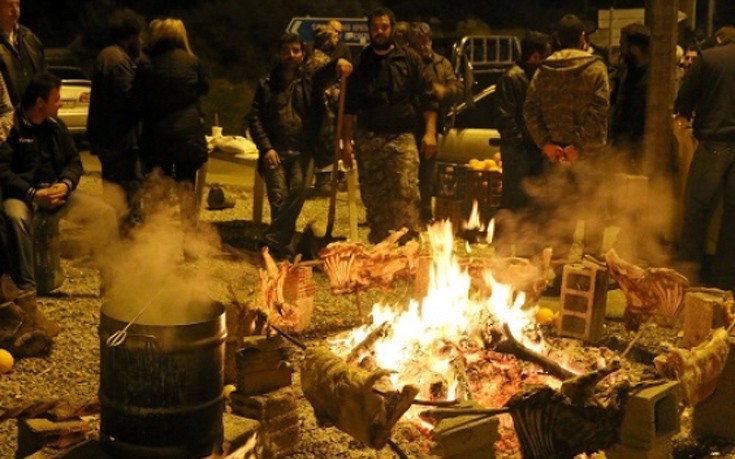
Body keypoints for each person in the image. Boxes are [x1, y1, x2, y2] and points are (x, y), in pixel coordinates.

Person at [0, 73, 120, 298]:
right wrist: (34, 194)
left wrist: (65, 184)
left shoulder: (55, 126)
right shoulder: (11, 127)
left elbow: (74, 162)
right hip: (25, 195)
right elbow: (3, 171)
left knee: (104, 213)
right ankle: (27, 289)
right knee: (16, 217)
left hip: (57, 194)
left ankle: (112, 287)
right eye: (57, 99)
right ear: (40, 103)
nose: (61, 103)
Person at [248, 32, 351, 260]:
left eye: (295, 51)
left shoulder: (310, 81)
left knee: (299, 190)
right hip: (275, 151)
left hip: (304, 151)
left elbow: (325, 73)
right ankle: (282, 250)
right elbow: (254, 118)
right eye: (286, 51)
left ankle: (272, 242)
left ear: (302, 54)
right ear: (278, 54)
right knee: (279, 199)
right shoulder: (265, 85)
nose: (291, 55)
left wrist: (338, 63)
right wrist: (266, 148)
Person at [341, 8, 438, 244]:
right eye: (375, 28)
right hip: (369, 138)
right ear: (370, 31)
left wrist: (430, 133)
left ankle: (408, 246)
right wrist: (345, 142)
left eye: (384, 27)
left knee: (406, 193)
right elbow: (349, 107)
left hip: (401, 137)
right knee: (375, 199)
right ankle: (380, 252)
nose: (380, 32)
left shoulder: (410, 60)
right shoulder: (361, 63)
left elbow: (428, 98)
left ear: (392, 29)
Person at [523, 14, 610, 255]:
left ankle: (555, 274)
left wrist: (547, 144)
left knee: (558, 214)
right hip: (589, 154)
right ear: (583, 37)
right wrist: (578, 146)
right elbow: (600, 110)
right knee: (592, 215)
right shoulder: (595, 68)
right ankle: (589, 278)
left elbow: (530, 110)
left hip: (555, 156)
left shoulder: (544, 70)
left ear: (558, 40)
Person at [133, 18, 209, 235]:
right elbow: (204, 88)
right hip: (187, 134)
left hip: (156, 134)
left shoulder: (146, 63)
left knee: (158, 189)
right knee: (187, 189)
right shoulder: (192, 61)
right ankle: (189, 241)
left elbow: (137, 98)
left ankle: (156, 240)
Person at [675, 25, 735, 290]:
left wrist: (686, 113)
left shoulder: (709, 58)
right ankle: (724, 278)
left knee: (697, 208)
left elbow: (684, 99)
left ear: (720, 40)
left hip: (715, 143)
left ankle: (689, 273)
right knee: (733, 214)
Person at [87, 8, 146, 234]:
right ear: (130, 36)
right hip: (120, 139)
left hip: (107, 138)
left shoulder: (107, 55)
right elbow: (131, 98)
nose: (141, 41)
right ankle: (126, 236)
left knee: (112, 187)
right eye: (138, 36)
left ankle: (114, 231)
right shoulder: (118, 60)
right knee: (128, 188)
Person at [408, 21, 464, 223]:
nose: (424, 47)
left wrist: (444, 91)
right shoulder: (407, 62)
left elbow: (458, 89)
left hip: (432, 125)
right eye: (419, 43)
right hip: (409, 125)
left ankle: (424, 212)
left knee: (427, 174)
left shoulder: (442, 64)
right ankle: (409, 215)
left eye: (427, 42)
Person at [495, 31, 550, 212]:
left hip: (532, 149)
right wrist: (522, 144)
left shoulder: (534, 76)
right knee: (516, 200)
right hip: (519, 152)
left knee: (534, 200)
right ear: (535, 56)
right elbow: (506, 118)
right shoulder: (512, 78)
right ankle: (511, 238)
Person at [609, 22, 650, 173]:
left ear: (634, 49)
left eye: (622, 44)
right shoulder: (625, 71)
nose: (620, 49)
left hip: (639, 147)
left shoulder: (652, 80)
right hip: (620, 144)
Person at [0, 0, 44, 106]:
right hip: (6, 115)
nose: (15, 10)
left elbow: (42, 74)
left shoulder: (29, 38)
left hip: (31, 112)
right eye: (10, 5)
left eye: (17, 5)